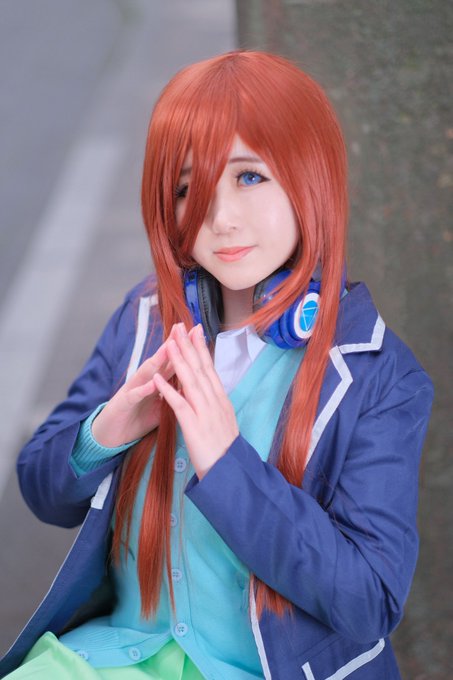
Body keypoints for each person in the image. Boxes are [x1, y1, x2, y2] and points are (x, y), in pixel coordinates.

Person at [1, 50, 433, 680]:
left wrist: (228, 465)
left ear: (310, 176)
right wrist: (108, 430)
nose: (219, 217)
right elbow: (42, 488)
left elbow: (369, 600)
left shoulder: (380, 376)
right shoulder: (145, 319)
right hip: (119, 655)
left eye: (249, 176)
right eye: (187, 188)